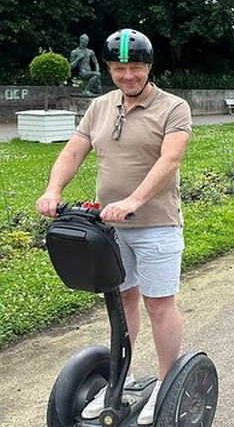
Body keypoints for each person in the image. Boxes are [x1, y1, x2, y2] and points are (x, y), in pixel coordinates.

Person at [36, 28, 192, 425]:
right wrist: (53, 190)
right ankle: (117, 382)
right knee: (122, 303)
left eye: (136, 68)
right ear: (108, 68)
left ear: (149, 67)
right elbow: (74, 151)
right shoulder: (101, 107)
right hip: (108, 228)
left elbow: (169, 161)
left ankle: (164, 383)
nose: (128, 76)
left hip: (156, 225)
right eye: (119, 68)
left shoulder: (173, 108)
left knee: (159, 305)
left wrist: (133, 202)